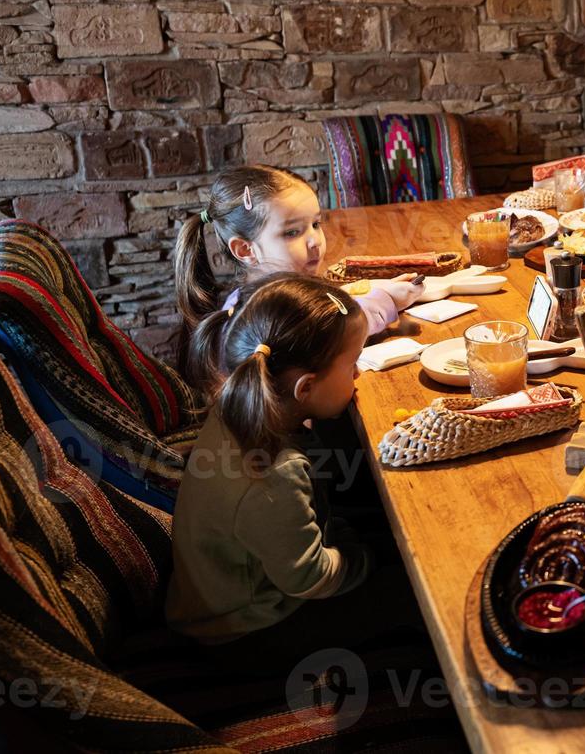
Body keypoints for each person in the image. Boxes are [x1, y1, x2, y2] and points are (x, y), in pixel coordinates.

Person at [167, 275, 418, 672]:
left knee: (389, 543)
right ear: (304, 388)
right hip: (246, 631)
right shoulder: (272, 476)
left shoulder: (241, 404)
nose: (356, 377)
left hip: (243, 593)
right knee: (412, 596)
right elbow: (308, 578)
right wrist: (364, 559)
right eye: (352, 365)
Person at [173, 165, 423, 383]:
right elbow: (333, 332)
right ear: (245, 249)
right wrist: (386, 301)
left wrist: (369, 290)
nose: (315, 241)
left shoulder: (277, 291)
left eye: (315, 224)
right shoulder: (258, 314)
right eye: (292, 232)